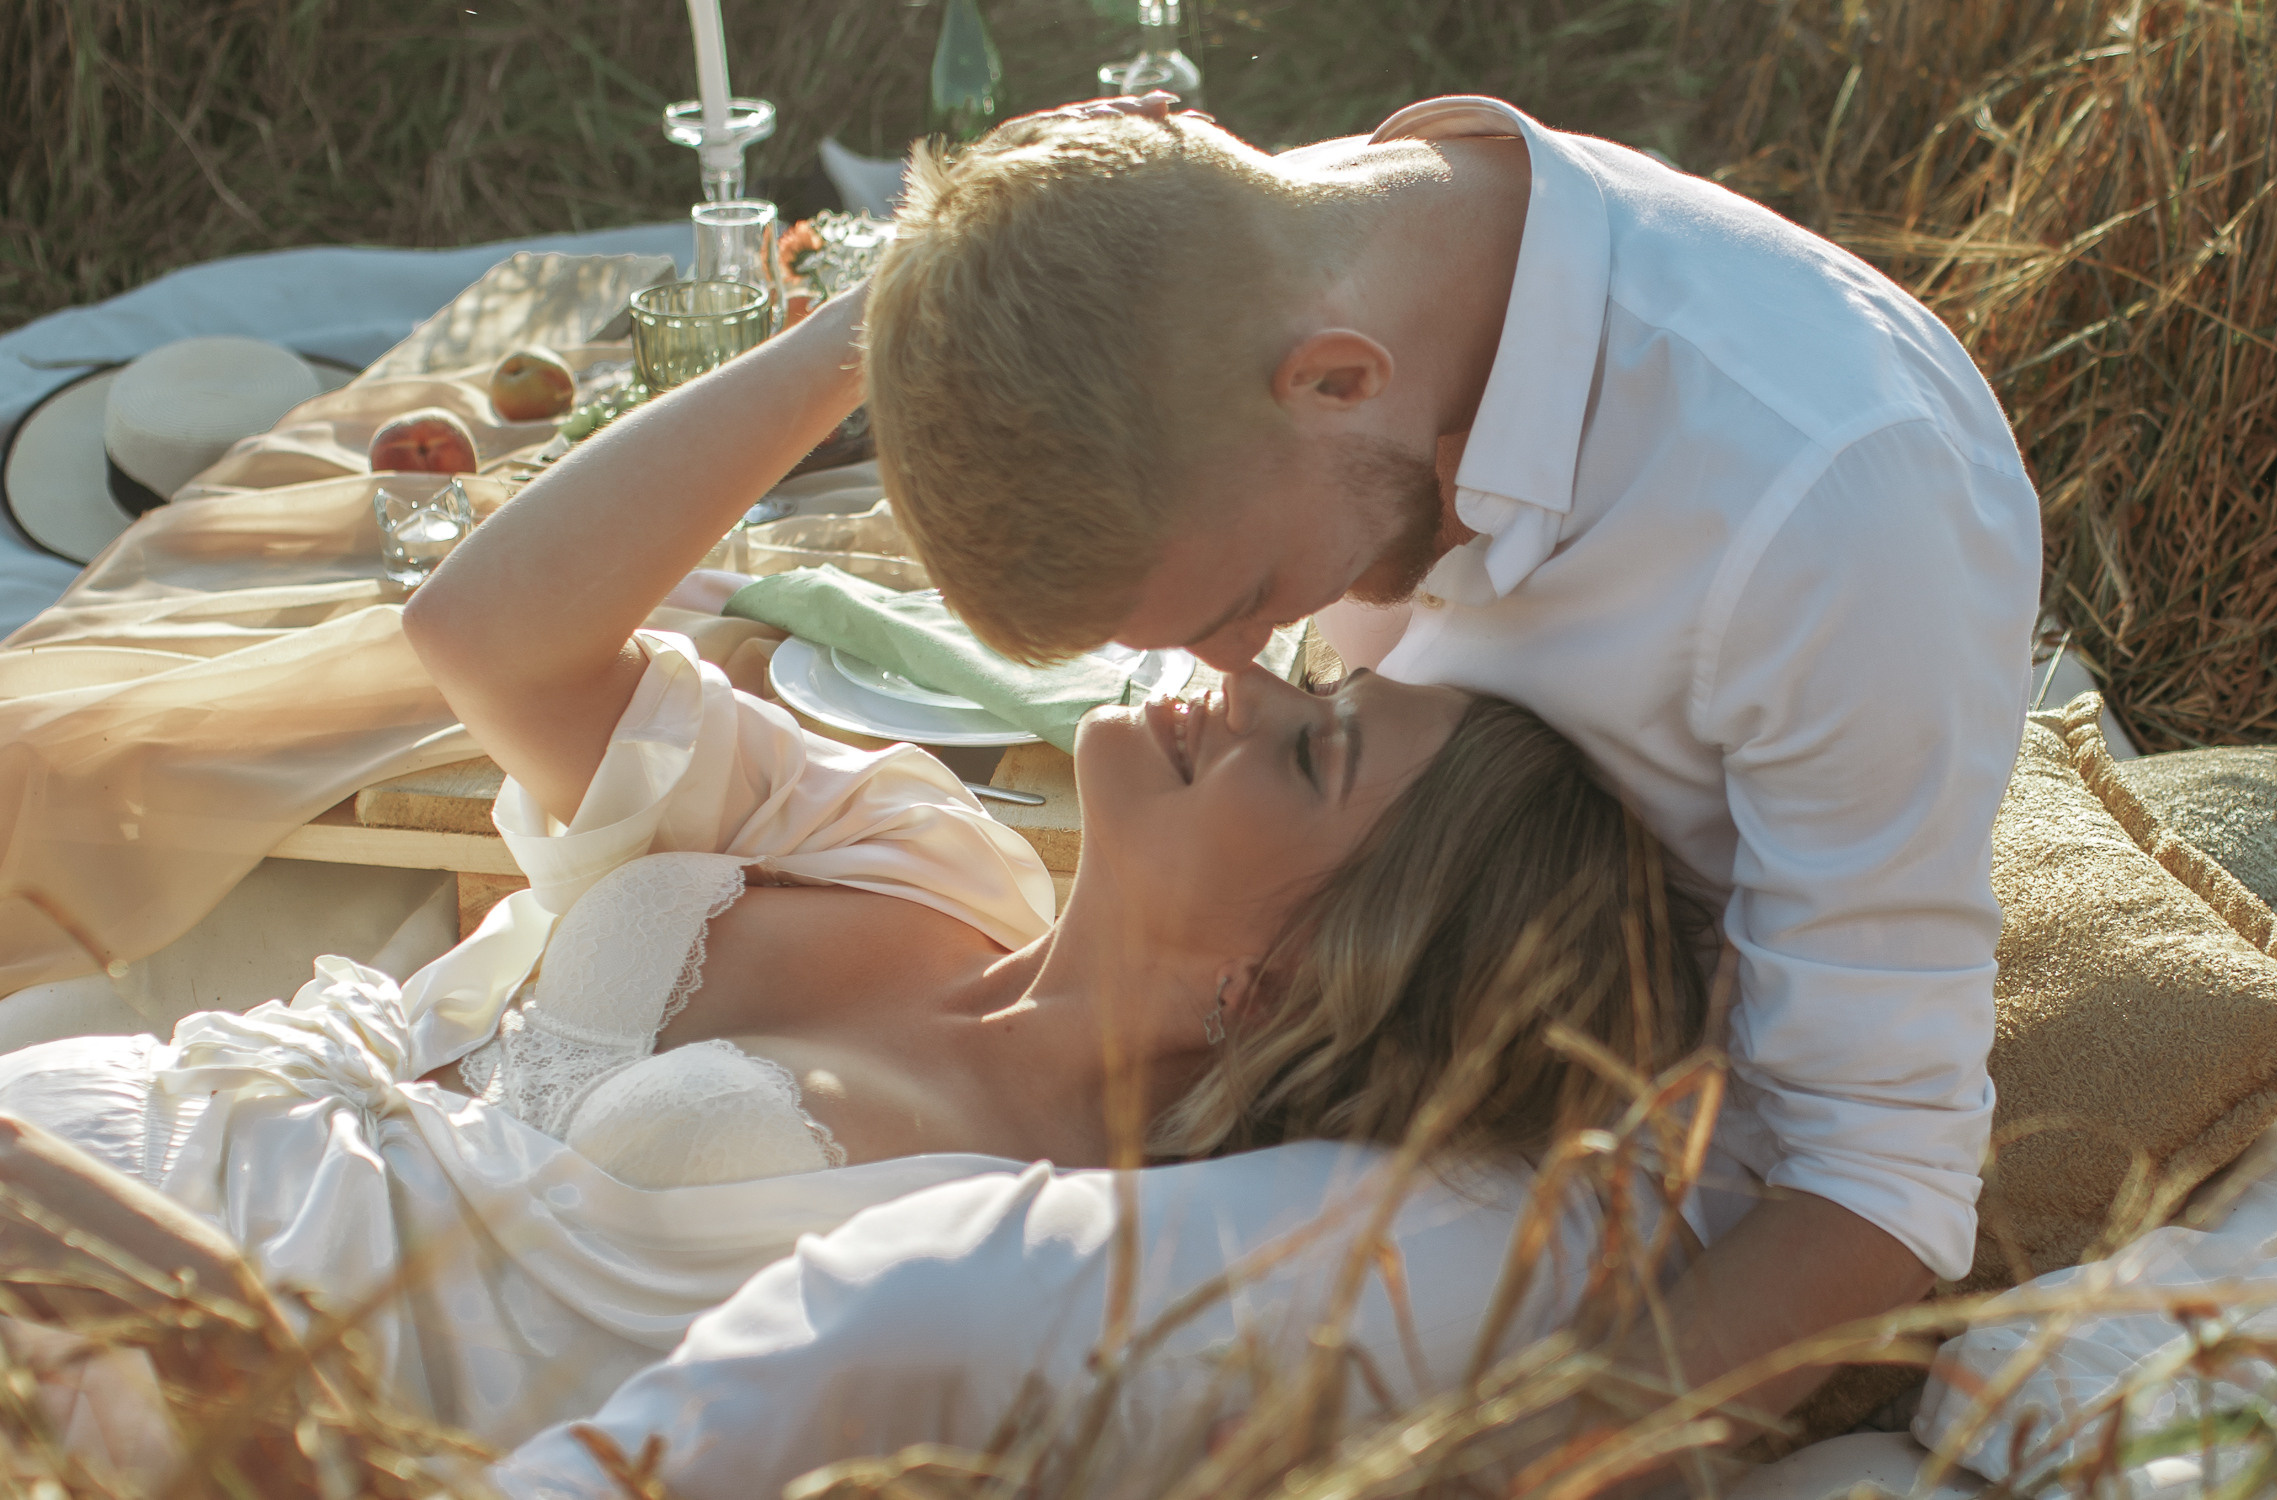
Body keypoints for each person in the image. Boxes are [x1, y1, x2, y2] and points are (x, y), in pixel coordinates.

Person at [499, 89, 2043, 1495]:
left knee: (917, 1301)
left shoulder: (1832, 497)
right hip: (1300, 1020)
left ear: (1338, 383)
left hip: (1601, 1162)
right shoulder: (1276, 257)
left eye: (1242, 596)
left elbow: (1877, 1174)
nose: (1244, 661)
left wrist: (1540, 1456)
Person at [0, 267, 1709, 1452]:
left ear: (1293, 973)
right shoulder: (933, 860)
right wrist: (878, 335)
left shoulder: (1048, 1260)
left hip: (145, 1360)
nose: (1253, 682)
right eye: (1318, 687)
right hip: (112, 1121)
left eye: (1320, 750)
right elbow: (492, 638)